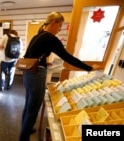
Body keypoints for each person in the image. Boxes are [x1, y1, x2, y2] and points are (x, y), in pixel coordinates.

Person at [18, 11, 102, 141]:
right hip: (36, 75)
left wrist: (45, 61)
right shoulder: (50, 38)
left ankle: (27, 129)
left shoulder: (38, 36)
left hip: (28, 74)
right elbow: (68, 57)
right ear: (53, 23)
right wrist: (89, 68)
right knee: (33, 110)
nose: (59, 29)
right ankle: (23, 138)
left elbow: (31, 55)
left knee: (28, 105)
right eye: (60, 26)